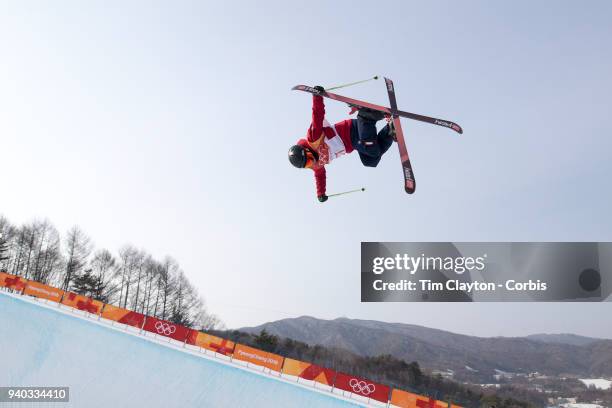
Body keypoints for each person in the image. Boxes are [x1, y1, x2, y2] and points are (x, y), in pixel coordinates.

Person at [288, 86, 395, 202]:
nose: (311, 162)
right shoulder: (316, 164)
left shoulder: (313, 139)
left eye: (309, 159)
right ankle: (390, 130)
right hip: (354, 144)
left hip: (351, 131)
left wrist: (317, 97)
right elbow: (319, 176)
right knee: (370, 161)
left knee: (372, 150)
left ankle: (366, 117)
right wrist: (321, 193)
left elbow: (317, 117)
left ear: (306, 151)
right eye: (308, 164)